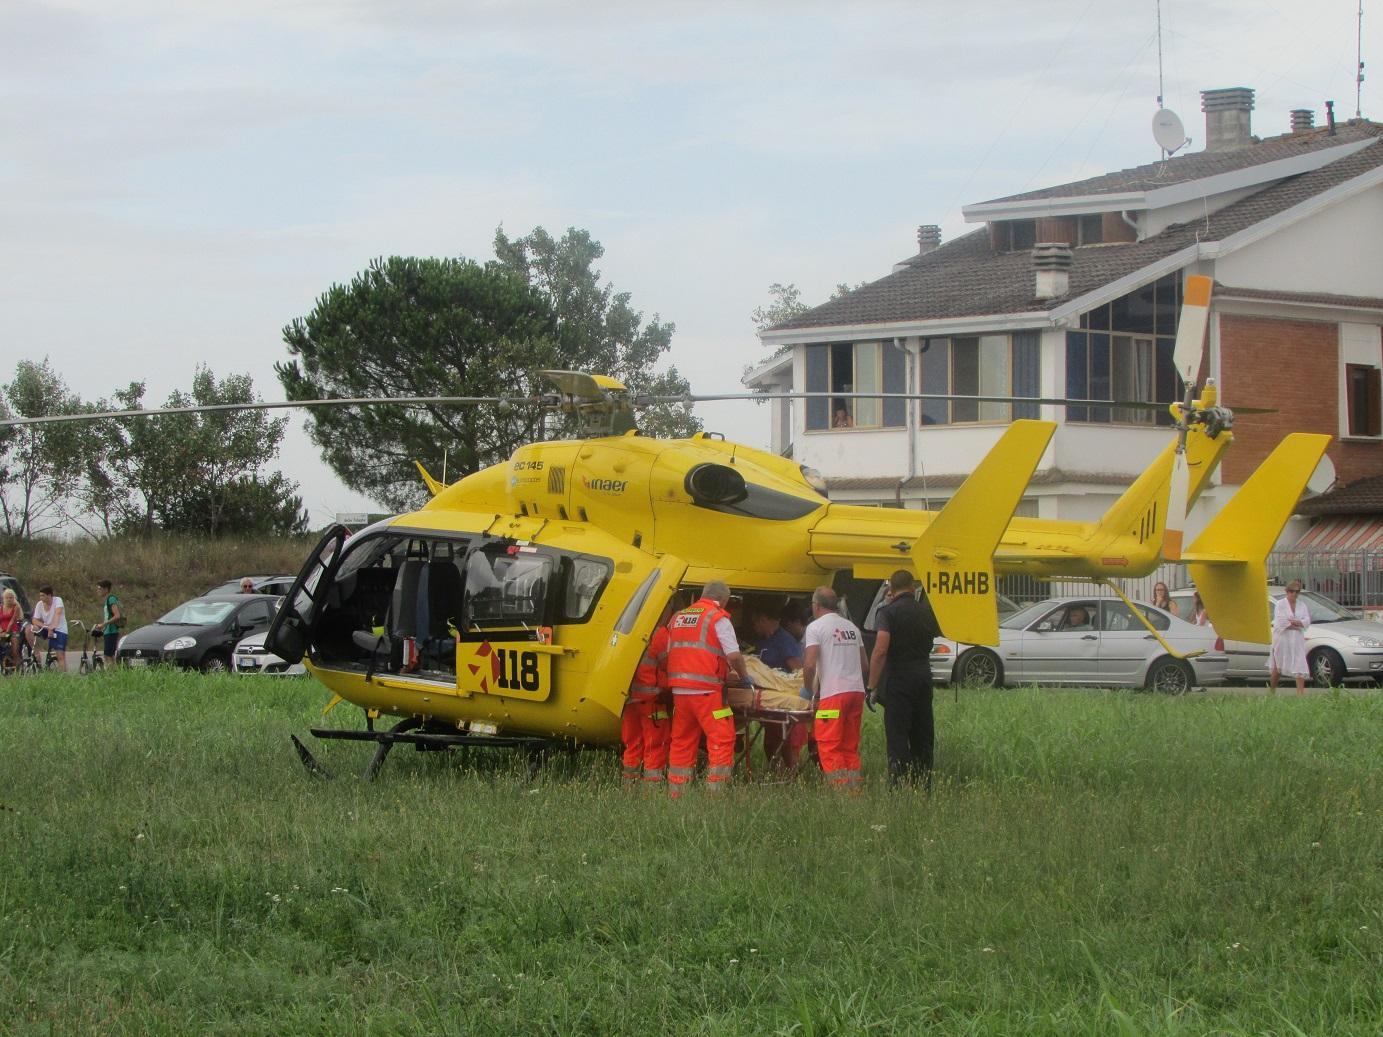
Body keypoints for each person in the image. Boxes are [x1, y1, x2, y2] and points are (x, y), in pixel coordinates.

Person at [665, 580, 755, 797]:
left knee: (682, 741)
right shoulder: (718, 617)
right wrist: (744, 677)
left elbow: (672, 651)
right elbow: (733, 655)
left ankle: (677, 793)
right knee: (722, 738)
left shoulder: (678, 617)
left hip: (680, 691)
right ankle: (715, 793)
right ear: (722, 600)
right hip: (707, 692)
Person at [866, 570, 941, 789]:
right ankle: (923, 783)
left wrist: (872, 686)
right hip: (923, 675)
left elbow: (880, 650)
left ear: (891, 589)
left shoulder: (887, 613)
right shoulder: (925, 612)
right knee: (923, 731)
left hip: (899, 678)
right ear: (912, 587)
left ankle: (898, 784)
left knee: (898, 733)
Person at [801, 586, 868, 790]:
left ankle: (840, 792)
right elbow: (864, 665)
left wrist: (808, 690)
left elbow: (810, 664)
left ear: (816, 605)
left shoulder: (815, 628)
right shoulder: (852, 628)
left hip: (833, 695)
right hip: (856, 693)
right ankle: (853, 790)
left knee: (829, 743)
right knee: (849, 745)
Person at [750, 604, 806, 769]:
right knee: (771, 743)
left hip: (780, 695)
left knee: (783, 743)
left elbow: (798, 672)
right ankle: (779, 773)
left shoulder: (784, 640)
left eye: (755, 623)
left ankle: (790, 774)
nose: (754, 627)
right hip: (765, 698)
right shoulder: (762, 641)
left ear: (763, 619)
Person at [620, 610, 671, 785]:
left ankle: (629, 785)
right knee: (655, 745)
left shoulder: (628, 631)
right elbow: (668, 663)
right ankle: (652, 788)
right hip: (653, 701)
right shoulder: (660, 634)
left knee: (632, 744)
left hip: (628, 700)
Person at [1269, 581, 1311, 695]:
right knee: (1278, 666)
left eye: (1297, 592)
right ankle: (1272, 691)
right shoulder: (1280, 604)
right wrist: (1296, 624)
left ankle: (1300, 694)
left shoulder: (1302, 605)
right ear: (1287, 592)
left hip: (1297, 639)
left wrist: (1298, 623)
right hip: (1282, 638)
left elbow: (1306, 620)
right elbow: (1281, 621)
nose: (1294, 594)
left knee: (1300, 663)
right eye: (1292, 591)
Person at [27, 585, 68, 671]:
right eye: (40, 595)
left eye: (43, 595)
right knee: (29, 629)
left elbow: (57, 614)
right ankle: (35, 652)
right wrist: (46, 627)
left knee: (60, 655)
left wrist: (52, 627)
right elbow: (35, 619)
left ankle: (64, 676)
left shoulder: (58, 601)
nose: (40, 598)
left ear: (49, 595)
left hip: (59, 629)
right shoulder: (39, 604)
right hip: (46, 627)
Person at [97, 579, 123, 666]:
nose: (98, 591)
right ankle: (112, 674)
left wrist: (104, 624)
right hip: (107, 631)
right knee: (108, 655)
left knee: (108, 656)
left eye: (100, 589)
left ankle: (112, 675)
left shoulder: (111, 599)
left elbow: (117, 615)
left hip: (112, 631)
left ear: (106, 589)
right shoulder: (107, 600)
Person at [0, 588, 22, 669]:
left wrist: (6, 632)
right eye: (7, 597)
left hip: (13, 631)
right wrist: (1, 631)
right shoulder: (1, 608)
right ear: (4, 598)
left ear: (14, 598)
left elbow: (12, 621)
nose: (9, 599)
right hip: (2, 631)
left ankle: (19, 668)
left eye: (11, 597)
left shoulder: (16, 607)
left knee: (15, 650)